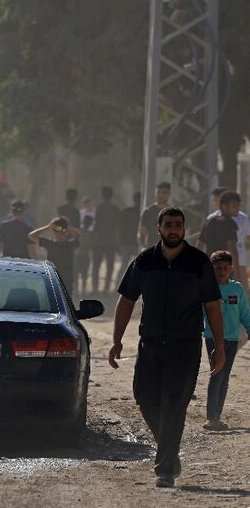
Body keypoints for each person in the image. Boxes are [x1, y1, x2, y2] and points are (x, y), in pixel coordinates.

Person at [109, 206, 225, 488]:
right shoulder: (145, 260)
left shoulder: (198, 262)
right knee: (145, 398)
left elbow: (212, 306)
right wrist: (116, 340)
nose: (173, 229)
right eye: (168, 225)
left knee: (174, 404)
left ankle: (164, 470)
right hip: (149, 344)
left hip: (184, 347)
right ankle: (169, 450)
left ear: (184, 229)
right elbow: (126, 300)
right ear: (158, 228)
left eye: (178, 225)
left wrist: (218, 346)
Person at [202, 251, 250, 431]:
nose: (221, 271)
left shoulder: (236, 289)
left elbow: (244, 312)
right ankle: (211, 418)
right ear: (212, 270)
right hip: (212, 338)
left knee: (224, 377)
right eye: (217, 268)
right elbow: (200, 313)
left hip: (232, 339)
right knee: (217, 375)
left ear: (231, 269)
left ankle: (217, 416)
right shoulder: (207, 288)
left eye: (224, 268)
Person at [206, 190, 250, 287]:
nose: (216, 202)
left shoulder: (243, 218)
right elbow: (231, 248)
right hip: (224, 262)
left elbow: (247, 237)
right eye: (214, 200)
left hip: (238, 260)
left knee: (239, 290)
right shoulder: (213, 219)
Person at [29, 217, 82, 291]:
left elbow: (31, 235)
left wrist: (48, 226)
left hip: (52, 278)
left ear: (53, 232)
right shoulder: (71, 245)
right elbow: (79, 236)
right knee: (66, 301)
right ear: (66, 232)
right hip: (67, 280)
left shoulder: (50, 244)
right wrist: (67, 226)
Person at [91, 186, 121, 293]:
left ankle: (95, 288)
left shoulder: (99, 208)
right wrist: (118, 241)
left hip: (99, 240)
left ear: (103, 195)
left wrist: (92, 238)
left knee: (96, 266)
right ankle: (106, 289)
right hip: (111, 241)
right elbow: (118, 226)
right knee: (109, 267)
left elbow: (96, 224)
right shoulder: (115, 209)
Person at [199, 191, 240, 258]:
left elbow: (199, 245)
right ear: (224, 206)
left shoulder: (209, 221)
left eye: (238, 205)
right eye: (234, 206)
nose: (237, 209)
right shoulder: (230, 223)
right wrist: (236, 268)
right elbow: (232, 248)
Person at [138, 181, 171, 248]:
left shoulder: (174, 213)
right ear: (155, 193)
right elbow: (141, 233)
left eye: (164, 193)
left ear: (169, 194)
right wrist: (144, 248)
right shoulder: (148, 212)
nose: (161, 195)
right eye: (158, 192)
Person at [118, 192, 141, 269]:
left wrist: (119, 241)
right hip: (137, 243)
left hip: (125, 242)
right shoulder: (144, 213)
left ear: (133, 200)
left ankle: (120, 281)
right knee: (138, 267)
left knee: (123, 267)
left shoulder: (125, 211)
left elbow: (120, 228)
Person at [76, 215, 95, 295]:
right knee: (83, 274)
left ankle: (77, 291)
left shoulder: (78, 231)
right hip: (83, 255)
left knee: (77, 273)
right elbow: (91, 245)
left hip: (78, 254)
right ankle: (81, 291)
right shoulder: (90, 234)